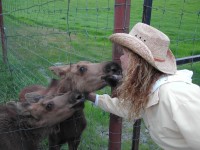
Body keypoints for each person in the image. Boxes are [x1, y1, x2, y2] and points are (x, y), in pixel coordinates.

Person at [87, 22, 200, 150]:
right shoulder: (151, 91)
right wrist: (92, 97)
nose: (121, 58)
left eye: (124, 53)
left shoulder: (177, 96)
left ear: (137, 62)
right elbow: (126, 108)